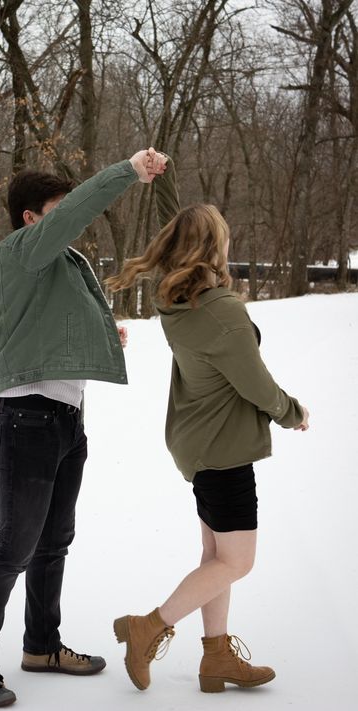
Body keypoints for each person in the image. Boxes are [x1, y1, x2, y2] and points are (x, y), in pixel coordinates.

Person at [0, 149, 166, 707]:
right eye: (58, 208)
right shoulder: (19, 253)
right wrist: (128, 171)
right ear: (31, 218)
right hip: (25, 420)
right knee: (16, 546)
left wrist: (101, 336)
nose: (69, 217)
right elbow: (75, 214)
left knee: (54, 543)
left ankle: (41, 646)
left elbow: (49, 326)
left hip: (65, 420)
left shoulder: (54, 264)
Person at [107, 155, 309, 694]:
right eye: (219, 238)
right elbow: (257, 386)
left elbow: (175, 233)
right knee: (237, 562)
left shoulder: (176, 297)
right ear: (210, 249)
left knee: (215, 557)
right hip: (221, 450)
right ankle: (148, 627)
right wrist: (293, 413)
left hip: (197, 441)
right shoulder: (222, 311)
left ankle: (217, 658)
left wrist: (166, 184)